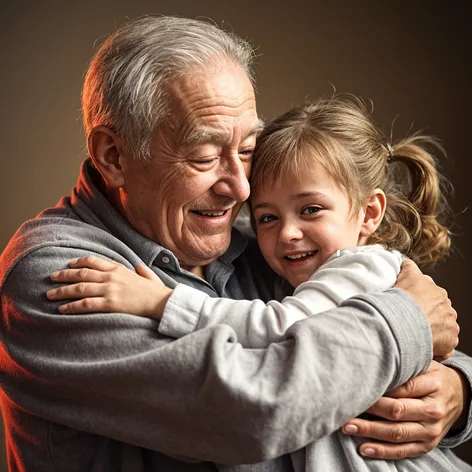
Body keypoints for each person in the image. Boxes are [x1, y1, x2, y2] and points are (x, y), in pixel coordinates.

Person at [0, 15, 466, 472]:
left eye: (247, 150)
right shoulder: (57, 274)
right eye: (204, 156)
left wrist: (457, 392)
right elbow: (253, 411)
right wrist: (408, 321)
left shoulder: (260, 244)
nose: (242, 188)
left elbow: (406, 342)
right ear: (114, 156)